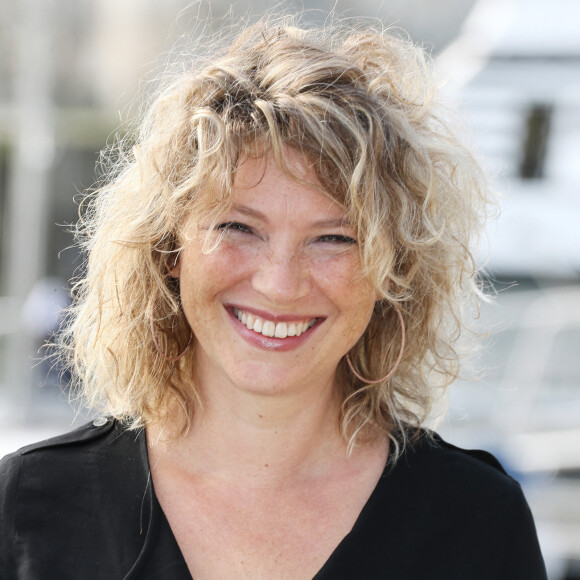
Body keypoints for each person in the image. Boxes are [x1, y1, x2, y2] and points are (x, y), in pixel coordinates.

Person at [0, 15, 547, 579]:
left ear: (394, 272)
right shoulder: (26, 508)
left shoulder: (477, 522)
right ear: (168, 248)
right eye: (239, 227)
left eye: (334, 238)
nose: (280, 283)